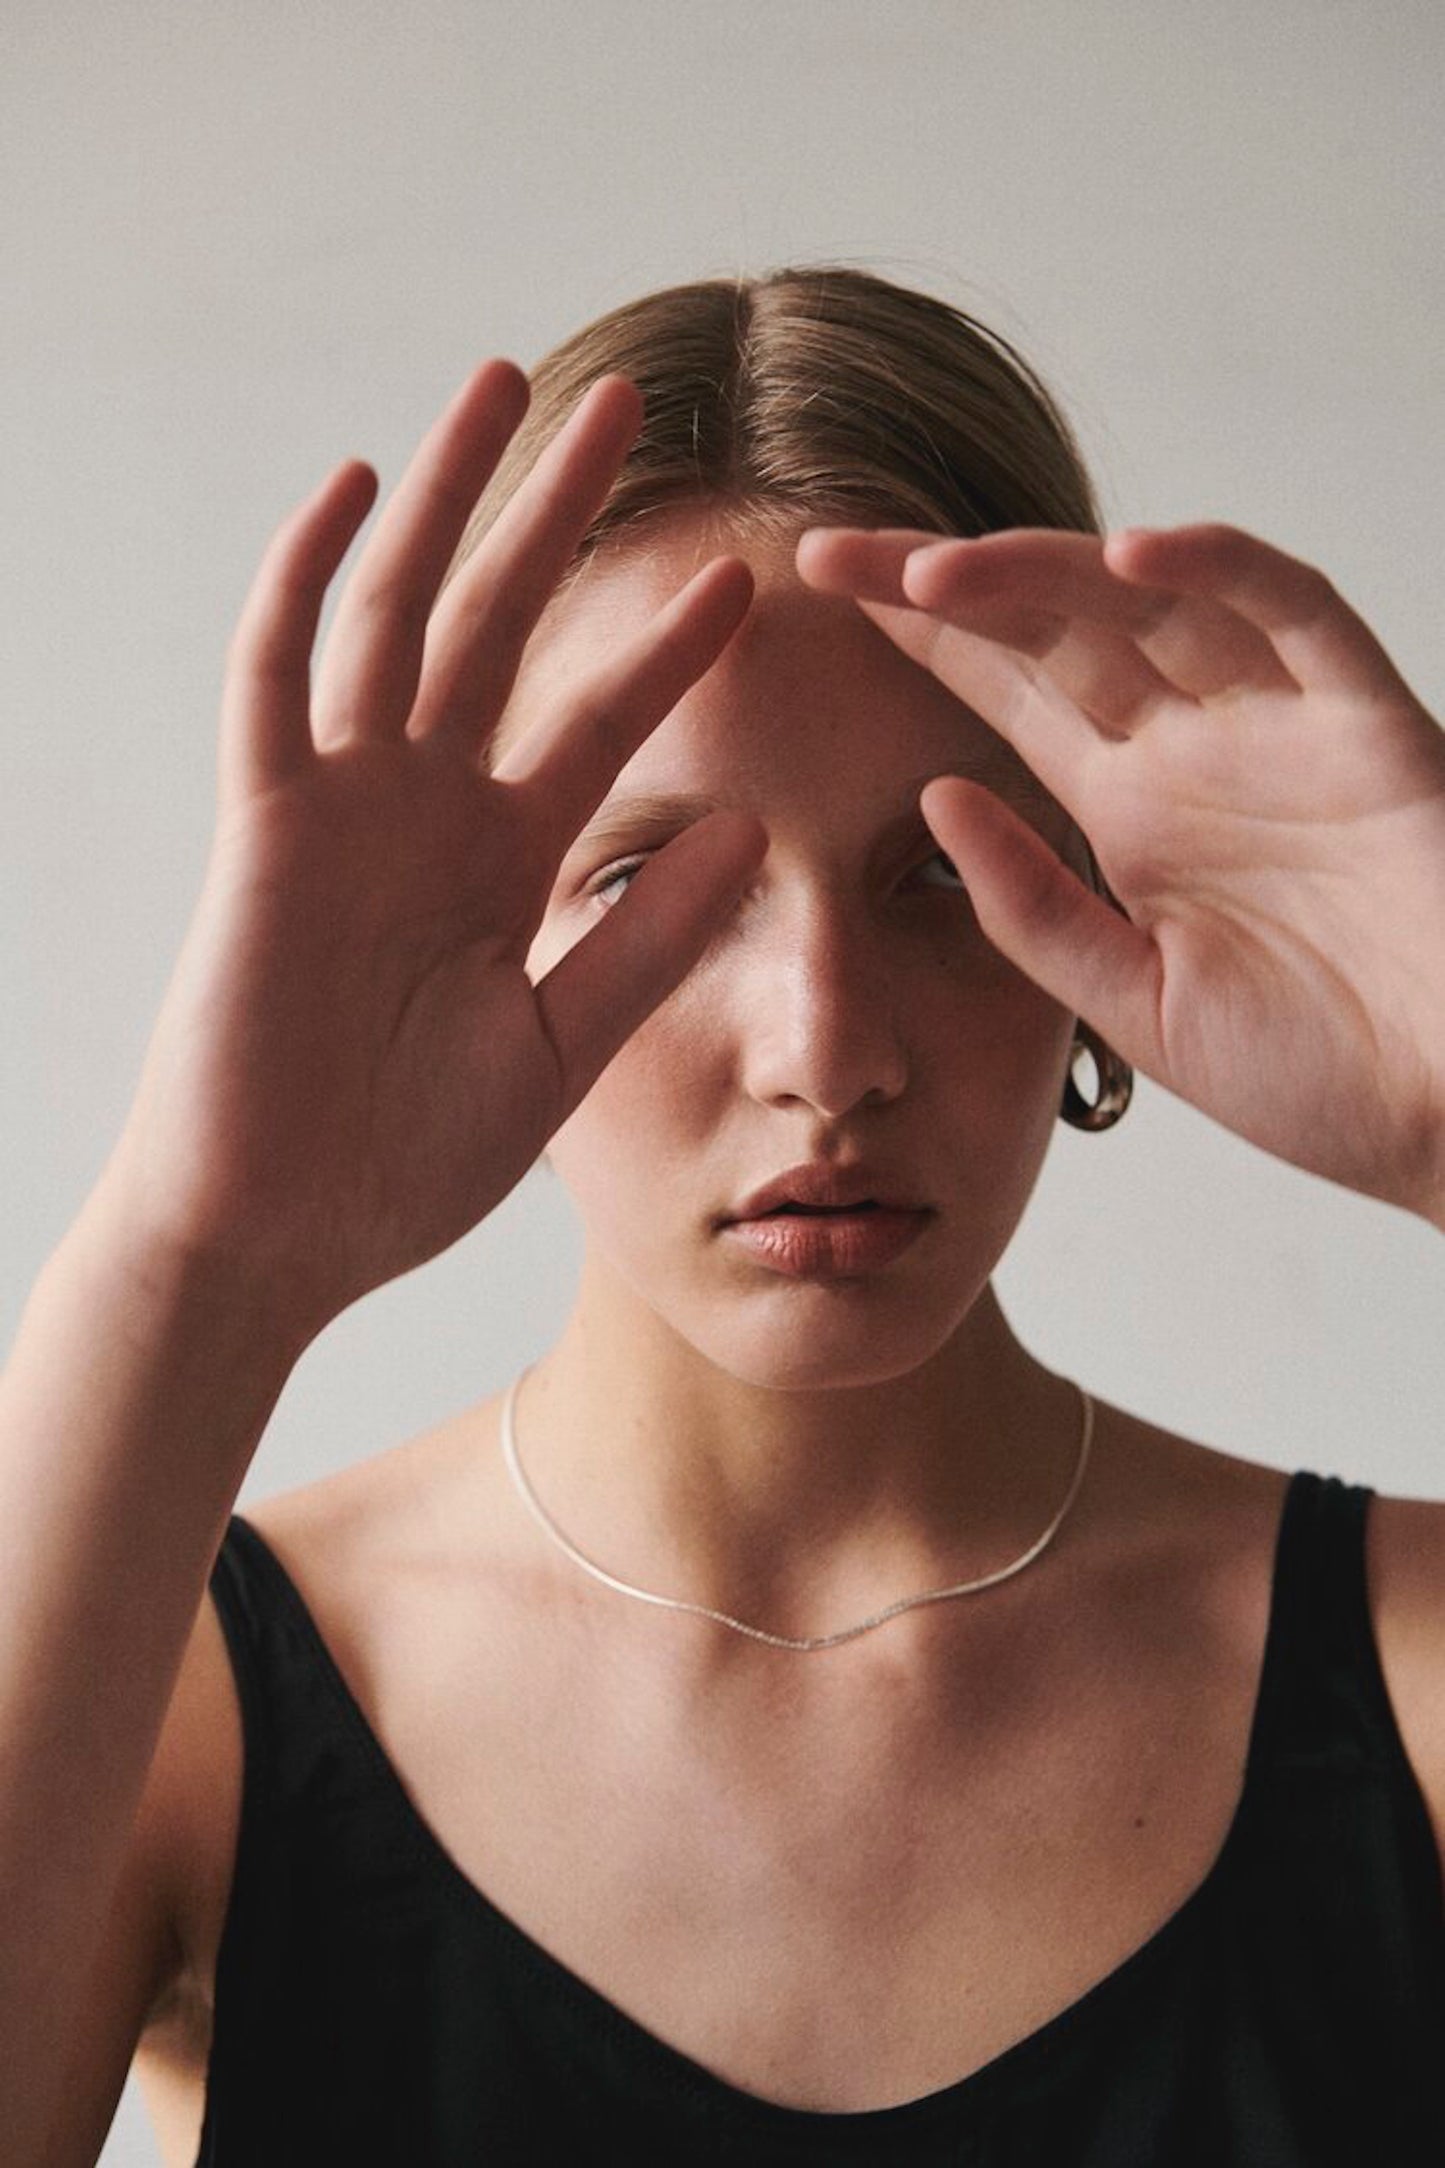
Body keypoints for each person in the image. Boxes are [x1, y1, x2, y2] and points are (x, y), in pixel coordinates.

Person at [2, 266, 1443, 2167]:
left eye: (936, 869)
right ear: (461, 931)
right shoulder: (181, 1699)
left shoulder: (1410, 1673)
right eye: (656, 881)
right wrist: (190, 1259)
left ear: (1098, 897)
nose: (824, 1051)